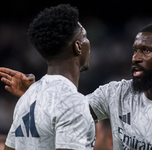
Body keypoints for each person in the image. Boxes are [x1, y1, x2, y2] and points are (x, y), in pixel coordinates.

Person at [1, 23, 152, 149]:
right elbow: (68, 111)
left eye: (146, 51)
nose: (135, 58)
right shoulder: (116, 93)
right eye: (135, 50)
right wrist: (35, 93)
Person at [2, 4, 95, 150]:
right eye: (85, 37)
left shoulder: (28, 96)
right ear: (78, 47)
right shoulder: (72, 101)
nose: (88, 43)